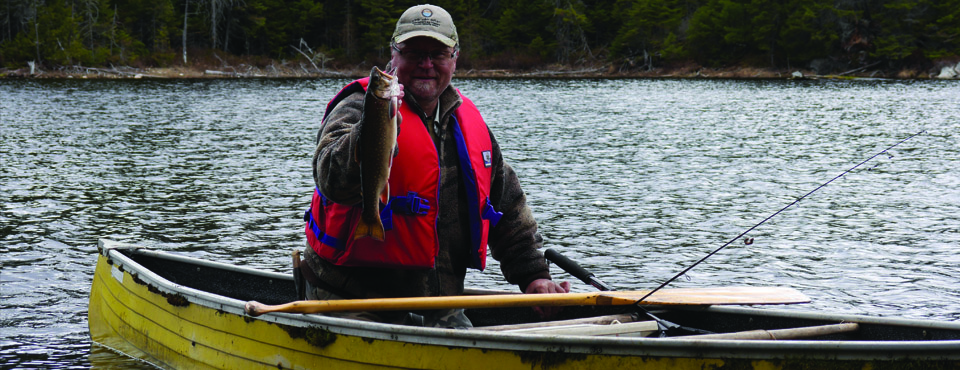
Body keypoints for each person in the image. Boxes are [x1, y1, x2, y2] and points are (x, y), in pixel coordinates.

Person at [299, 4, 569, 328]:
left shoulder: (467, 123)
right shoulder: (361, 105)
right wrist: (368, 132)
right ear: (393, 54)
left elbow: (505, 206)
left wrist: (534, 276)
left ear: (455, 58)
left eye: (438, 54)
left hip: (439, 303)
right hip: (352, 300)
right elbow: (329, 176)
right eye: (414, 53)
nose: (426, 64)